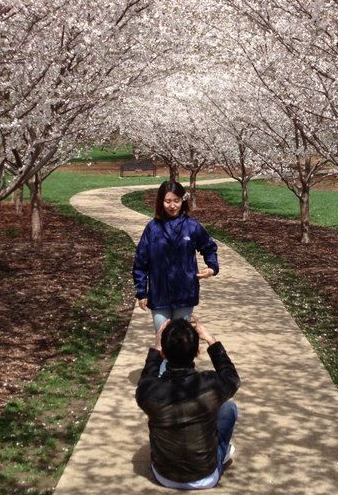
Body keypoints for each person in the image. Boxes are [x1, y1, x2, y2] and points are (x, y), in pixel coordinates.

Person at [136, 317, 240, 489]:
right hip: (207, 476)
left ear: (163, 354)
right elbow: (232, 379)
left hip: (163, 475)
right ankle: (222, 451)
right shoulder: (211, 384)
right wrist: (210, 339)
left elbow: (146, 380)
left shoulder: (149, 392)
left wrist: (156, 347)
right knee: (229, 408)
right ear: (198, 351)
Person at [133, 181, 219, 334]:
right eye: (168, 201)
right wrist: (142, 292)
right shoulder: (152, 228)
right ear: (161, 202)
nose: (172, 206)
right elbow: (140, 262)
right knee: (162, 341)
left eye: (176, 201)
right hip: (159, 294)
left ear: (182, 201)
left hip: (185, 292)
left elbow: (209, 247)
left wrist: (212, 268)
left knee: (180, 341)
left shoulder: (192, 226)